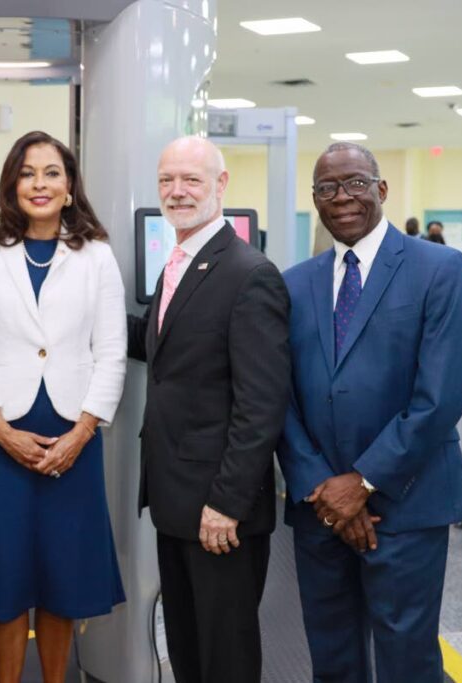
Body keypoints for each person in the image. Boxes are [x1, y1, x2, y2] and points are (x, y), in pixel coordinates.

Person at [278, 142, 462, 683]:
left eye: (355, 183)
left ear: (382, 190)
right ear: (315, 200)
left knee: (407, 661)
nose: (341, 197)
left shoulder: (439, 269)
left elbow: (440, 397)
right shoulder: (294, 283)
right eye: (326, 188)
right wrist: (322, 486)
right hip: (320, 511)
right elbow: (281, 396)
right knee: (331, 656)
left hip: (407, 503)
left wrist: (361, 483)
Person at [0, 130, 127, 683]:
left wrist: (83, 431)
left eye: (51, 173)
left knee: (62, 577)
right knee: (5, 577)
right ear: (11, 185)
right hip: (2, 436)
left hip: (73, 437)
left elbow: (111, 352)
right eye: (27, 173)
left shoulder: (96, 256)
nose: (39, 183)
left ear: (69, 187)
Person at [127, 136, 291, 682]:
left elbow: (261, 403)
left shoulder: (249, 274)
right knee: (188, 646)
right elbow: (168, 351)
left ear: (221, 186)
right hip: (177, 498)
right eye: (167, 180)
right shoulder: (178, 264)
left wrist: (227, 503)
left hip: (220, 510)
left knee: (226, 654)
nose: (177, 192)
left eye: (191, 180)